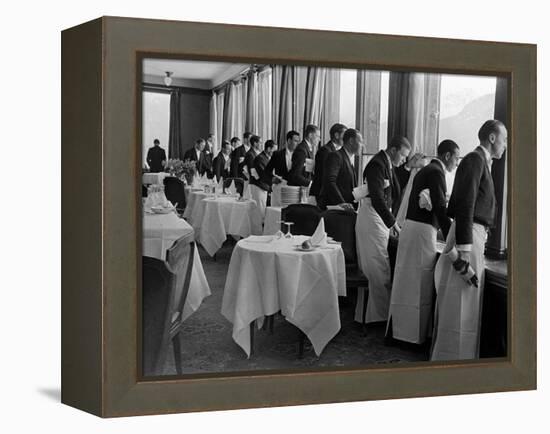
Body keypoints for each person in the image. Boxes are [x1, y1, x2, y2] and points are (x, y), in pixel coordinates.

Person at [431, 120, 506, 361]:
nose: (505, 146)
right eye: (503, 139)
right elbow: (466, 204)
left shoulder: (482, 162)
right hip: (468, 236)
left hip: (473, 235)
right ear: (492, 138)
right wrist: (463, 250)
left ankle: (459, 357)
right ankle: (452, 359)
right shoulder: (475, 160)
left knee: (466, 301)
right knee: (461, 300)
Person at [386, 140, 460, 345]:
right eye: (456, 157)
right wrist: (453, 239)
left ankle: (402, 333)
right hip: (421, 232)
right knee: (419, 284)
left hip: (413, 230)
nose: (457, 162)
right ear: (447, 156)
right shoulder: (436, 172)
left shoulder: (428, 170)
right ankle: (410, 338)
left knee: (407, 283)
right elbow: (439, 207)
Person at [355, 135, 411, 325]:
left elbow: (394, 186)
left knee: (378, 268)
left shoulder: (385, 163)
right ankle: (380, 318)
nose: (402, 161)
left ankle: (373, 315)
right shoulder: (377, 164)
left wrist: (409, 168)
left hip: (377, 219)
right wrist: (393, 223)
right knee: (378, 269)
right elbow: (378, 198)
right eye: (402, 157)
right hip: (372, 218)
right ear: (393, 150)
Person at [318, 128, 363, 210]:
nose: (362, 145)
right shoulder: (336, 156)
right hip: (334, 210)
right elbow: (330, 181)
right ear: (351, 141)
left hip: (345, 211)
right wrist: (342, 203)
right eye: (360, 141)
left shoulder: (348, 159)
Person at [310, 123, 347, 203]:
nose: (346, 139)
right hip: (321, 195)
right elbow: (325, 176)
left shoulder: (338, 151)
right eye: (344, 135)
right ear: (336, 135)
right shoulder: (325, 151)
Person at [251, 139, 278, 225]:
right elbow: (263, 174)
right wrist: (274, 180)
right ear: (269, 149)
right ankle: (257, 233)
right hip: (259, 187)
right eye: (274, 150)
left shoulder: (267, 158)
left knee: (263, 211)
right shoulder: (260, 158)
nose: (275, 152)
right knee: (259, 211)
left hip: (265, 187)